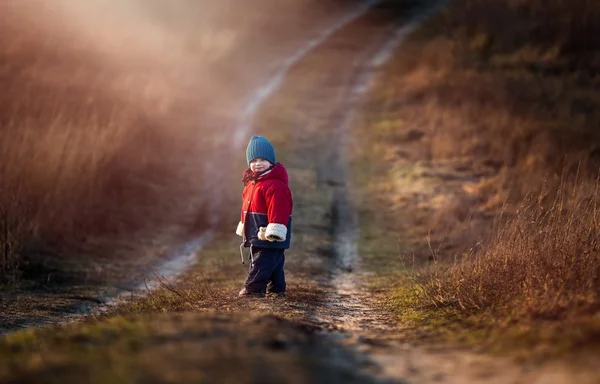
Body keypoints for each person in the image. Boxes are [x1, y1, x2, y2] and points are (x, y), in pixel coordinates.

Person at [236, 136, 293, 298]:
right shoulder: (251, 184)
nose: (258, 163)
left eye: (263, 159)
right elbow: (246, 208)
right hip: (255, 231)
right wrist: (243, 224)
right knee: (273, 263)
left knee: (261, 262)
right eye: (254, 160)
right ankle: (276, 289)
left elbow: (280, 209)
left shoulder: (276, 185)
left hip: (269, 233)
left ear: (271, 162)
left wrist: (274, 230)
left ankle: (253, 290)